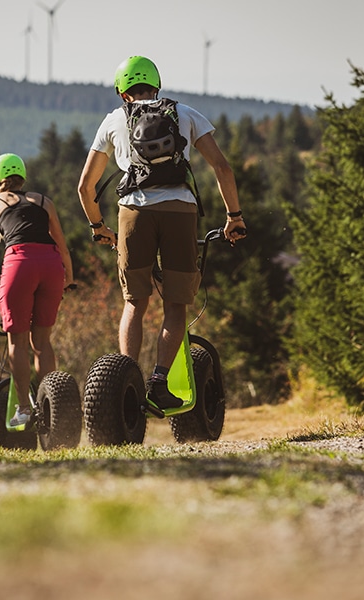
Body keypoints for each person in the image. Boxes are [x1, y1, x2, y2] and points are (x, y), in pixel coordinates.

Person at [77, 55, 246, 413]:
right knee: (175, 303)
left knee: (135, 302)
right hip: (179, 212)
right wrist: (234, 216)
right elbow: (222, 167)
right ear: (157, 85)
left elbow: (84, 187)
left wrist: (98, 227)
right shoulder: (184, 113)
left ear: (123, 93)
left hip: (132, 213)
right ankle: (159, 382)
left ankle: (128, 385)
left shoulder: (113, 120)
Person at [0, 153, 74, 426]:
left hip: (20, 264)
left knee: (17, 342)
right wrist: (70, 278)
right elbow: (63, 245)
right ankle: (52, 409)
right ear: (21, 178)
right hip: (52, 266)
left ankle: (24, 409)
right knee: (42, 343)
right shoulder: (44, 201)